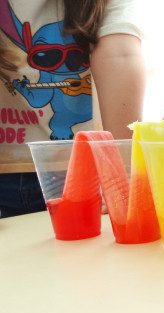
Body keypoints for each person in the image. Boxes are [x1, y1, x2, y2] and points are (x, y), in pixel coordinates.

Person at [0, 0, 146, 218]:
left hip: (88, 170)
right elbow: (40, 99)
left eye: (74, 57)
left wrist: (122, 173)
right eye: (47, 56)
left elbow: (120, 55)